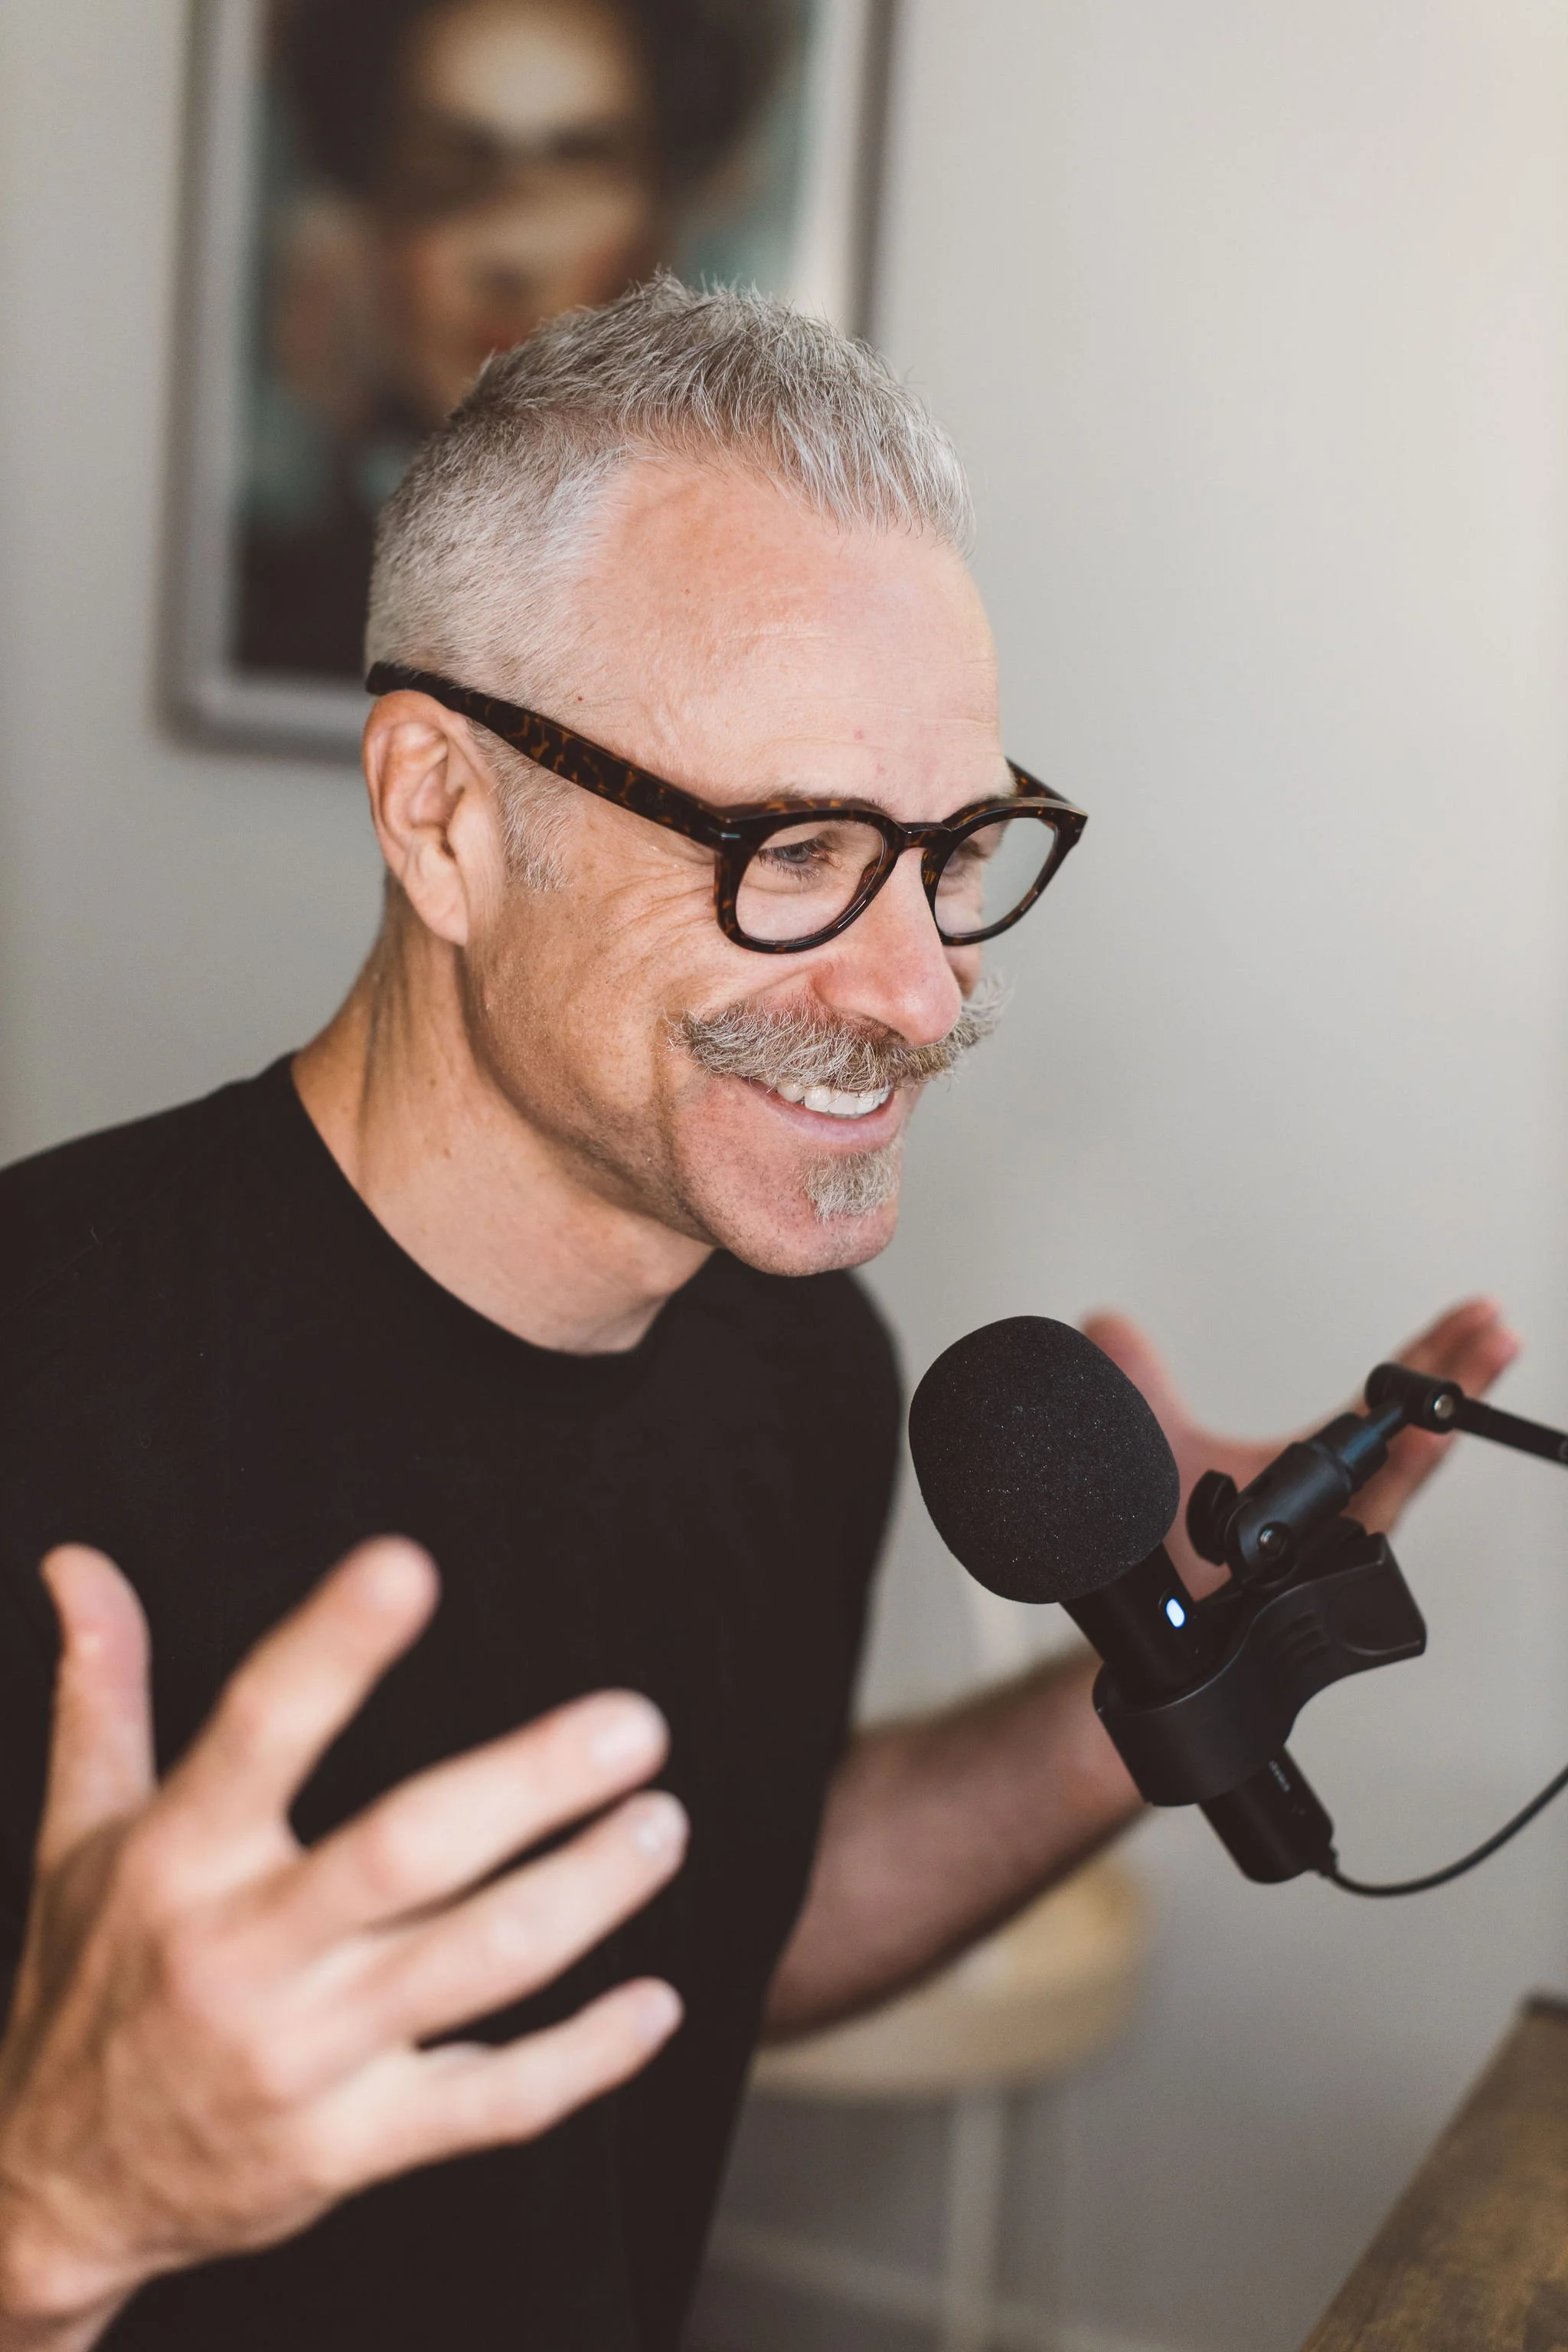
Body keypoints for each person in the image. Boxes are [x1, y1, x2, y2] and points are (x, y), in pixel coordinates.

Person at [0, 280, 1514, 2350]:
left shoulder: (802, 1366)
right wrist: (54, 2209)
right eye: (794, 847)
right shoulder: (42, 1387)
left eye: (953, 850)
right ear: (443, 815)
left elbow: (716, 1918)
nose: (920, 989)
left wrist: (1174, 1656)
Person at [240, 0, 795, 676]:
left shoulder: (736, 612)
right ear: (369, 205)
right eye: (447, 167)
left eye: (581, 161)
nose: (510, 252)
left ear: (664, 207)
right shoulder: (265, 607)